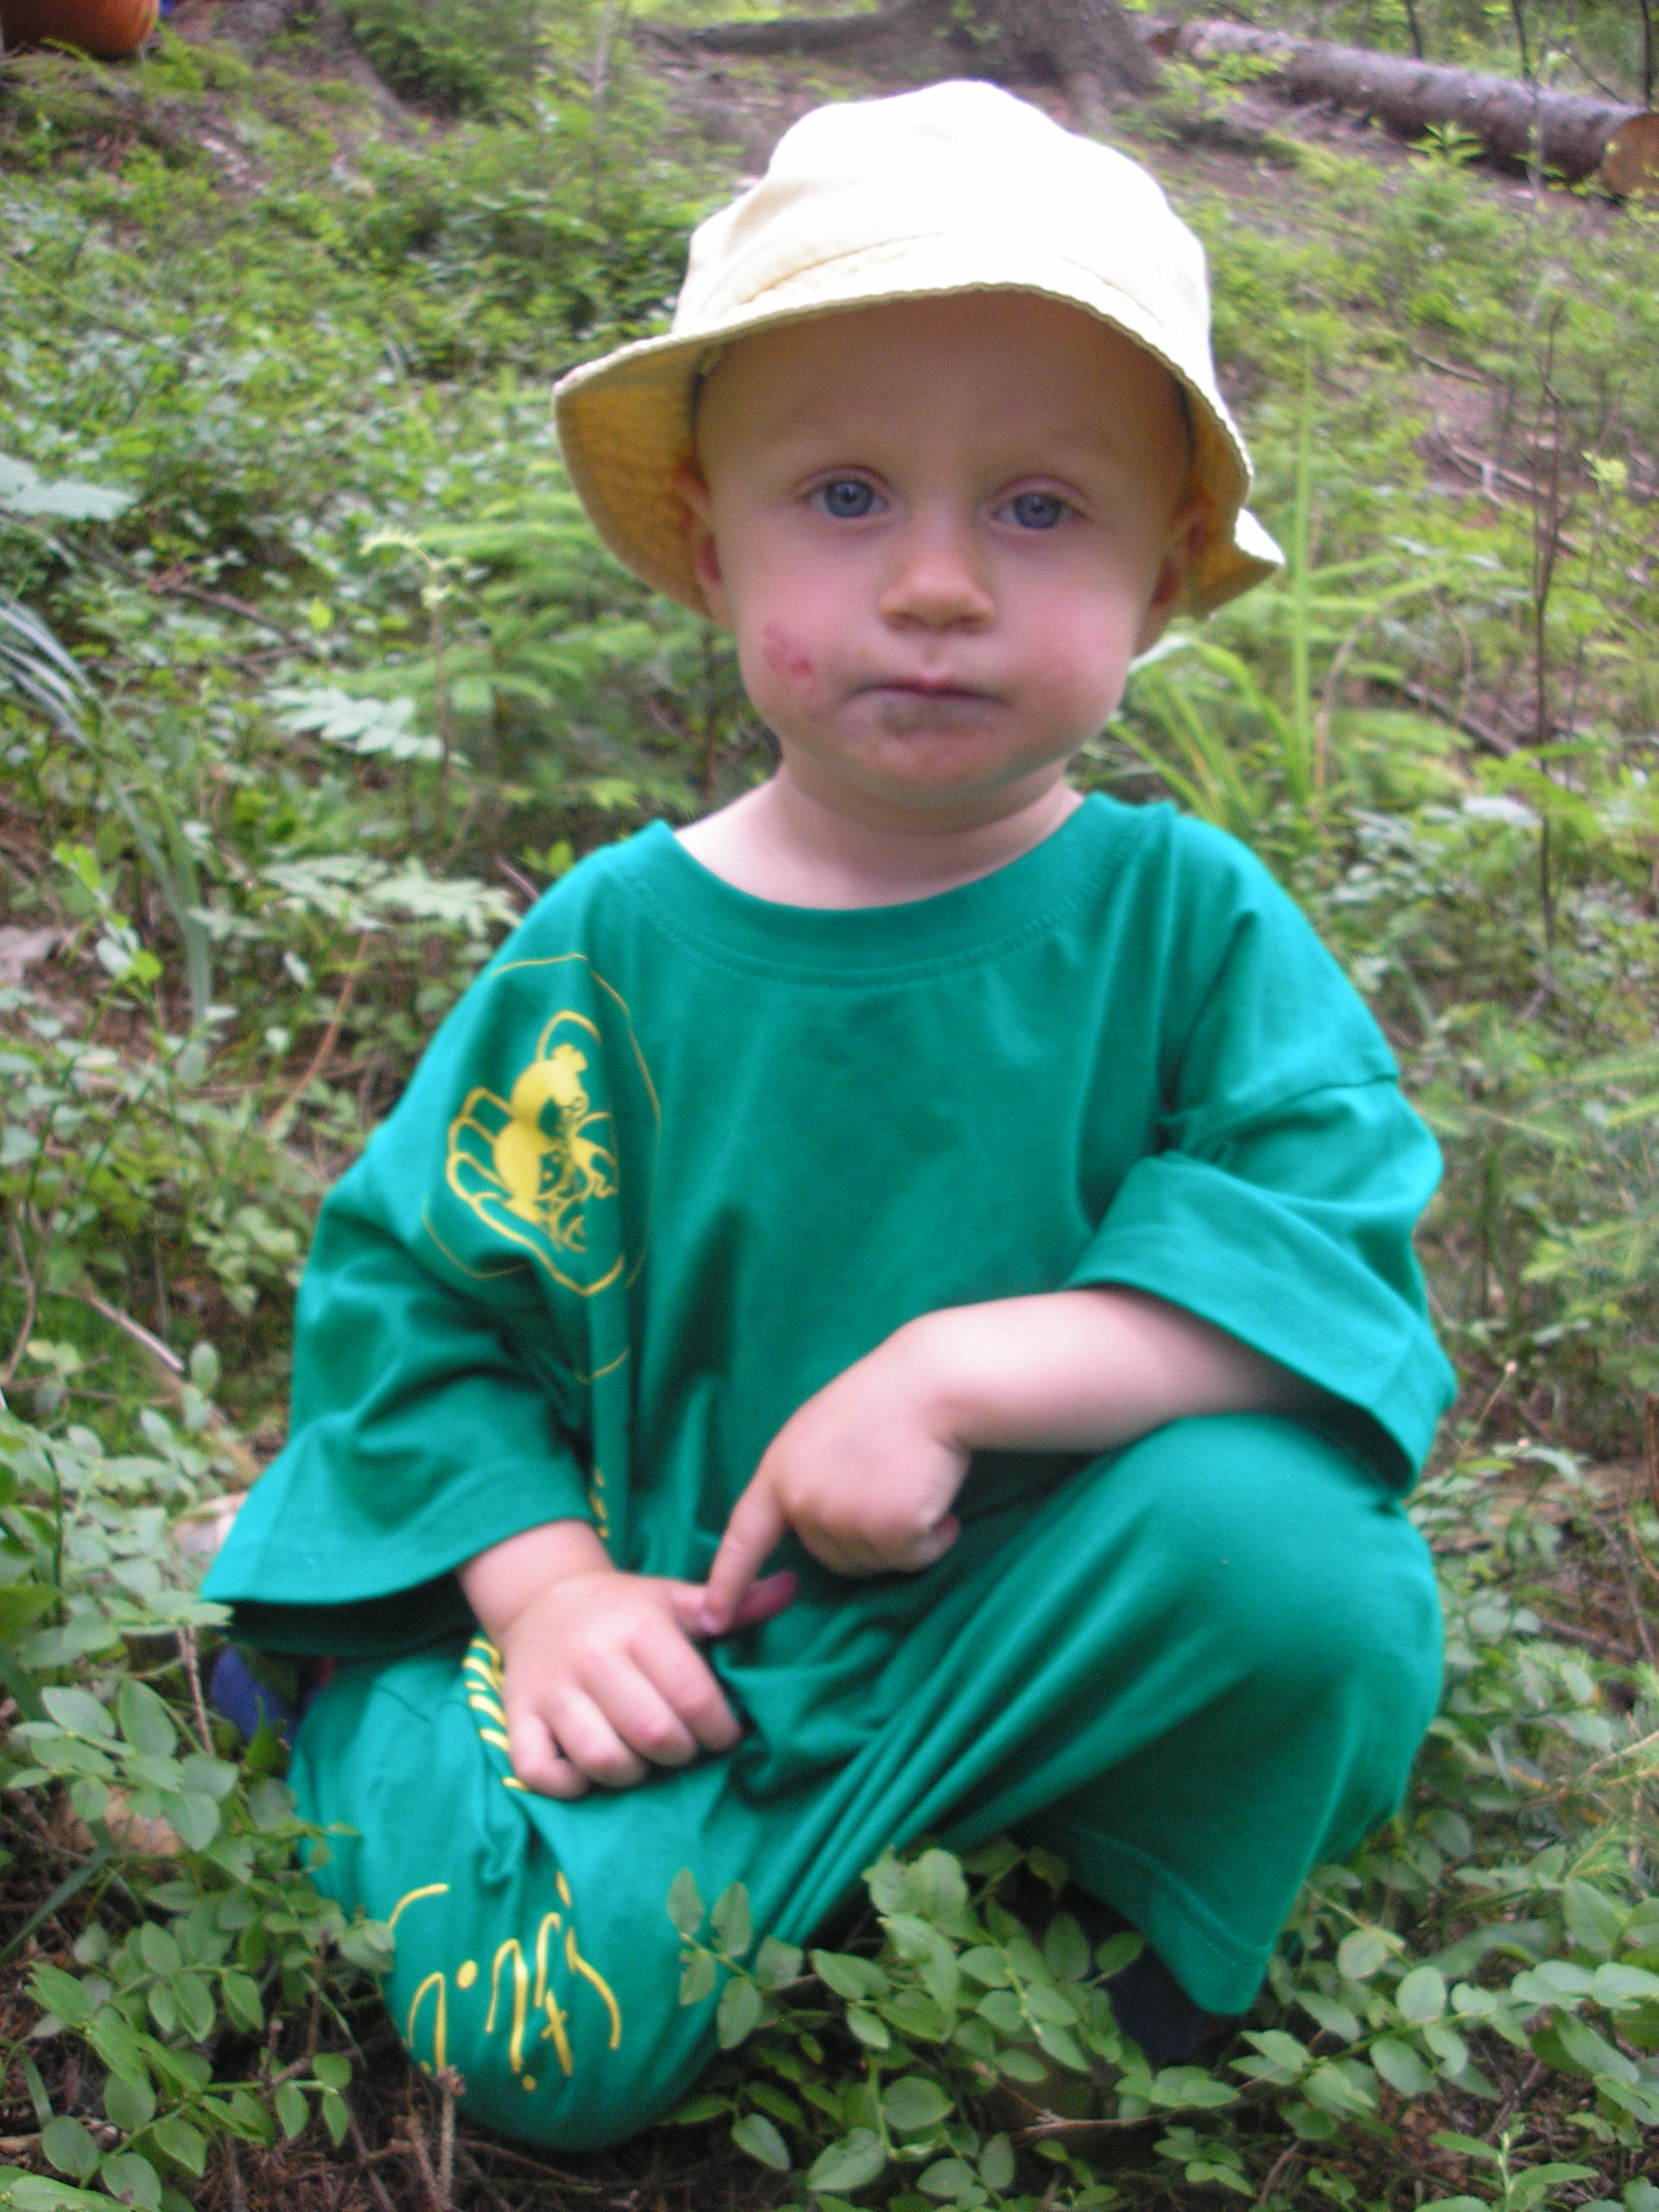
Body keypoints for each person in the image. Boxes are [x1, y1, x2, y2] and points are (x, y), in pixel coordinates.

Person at [202, 79, 1452, 2151]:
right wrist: (552, 1594)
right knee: (559, 2041)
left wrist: (961, 1373)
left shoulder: (1188, 923)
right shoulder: (612, 952)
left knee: (1319, 1581)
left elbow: (1322, 1253)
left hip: (1030, 1620)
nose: (941, 581)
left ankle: (1068, 1925)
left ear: (1160, 576)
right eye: (848, 493)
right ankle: (364, 1701)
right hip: (698, 1646)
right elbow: (416, 1313)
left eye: (1041, 508)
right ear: (716, 550)